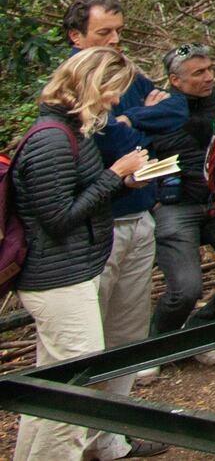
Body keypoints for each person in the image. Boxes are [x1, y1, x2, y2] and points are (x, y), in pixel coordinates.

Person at [11, 49, 164, 461]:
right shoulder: (50, 139)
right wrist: (114, 175)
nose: (116, 103)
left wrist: (121, 182)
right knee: (74, 397)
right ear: (90, 86)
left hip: (70, 273)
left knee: (54, 389)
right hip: (56, 279)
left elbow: (75, 196)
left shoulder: (70, 132)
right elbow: (59, 219)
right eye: (112, 93)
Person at [64, 0, 184, 420]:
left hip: (139, 213)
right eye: (104, 33)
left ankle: (113, 431)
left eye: (119, 32)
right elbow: (110, 146)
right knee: (87, 337)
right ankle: (78, 429)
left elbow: (176, 110)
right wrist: (134, 129)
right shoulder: (69, 82)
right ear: (76, 37)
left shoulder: (129, 76)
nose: (115, 41)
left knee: (128, 330)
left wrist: (131, 122)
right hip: (97, 226)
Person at [148, 45, 215, 357]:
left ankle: (197, 334)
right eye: (198, 73)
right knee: (185, 290)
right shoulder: (157, 107)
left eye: (209, 69)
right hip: (175, 205)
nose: (209, 77)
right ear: (175, 81)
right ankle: (155, 348)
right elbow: (140, 154)